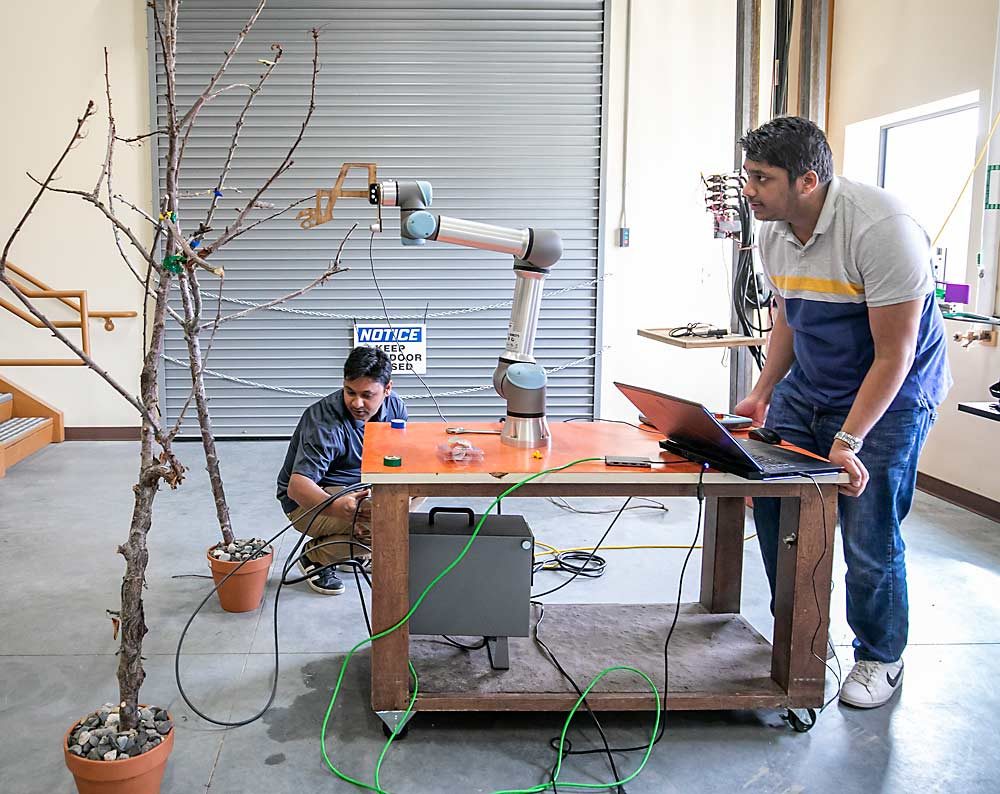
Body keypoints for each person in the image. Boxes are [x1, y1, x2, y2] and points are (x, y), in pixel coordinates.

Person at [734, 116, 951, 708]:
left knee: (868, 531)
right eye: (747, 174)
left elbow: (894, 354)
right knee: (778, 512)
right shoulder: (775, 229)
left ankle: (880, 657)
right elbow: (790, 313)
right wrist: (762, 391)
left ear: (808, 181)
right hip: (815, 382)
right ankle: (801, 638)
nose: (748, 189)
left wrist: (850, 439)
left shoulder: (882, 229)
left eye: (761, 178)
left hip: (894, 390)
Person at [277, 346, 407, 595]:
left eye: (367, 395)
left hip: (358, 488)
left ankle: (356, 543)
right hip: (308, 502)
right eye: (350, 392)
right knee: (388, 527)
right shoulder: (325, 422)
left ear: (387, 389)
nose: (357, 403)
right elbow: (298, 487)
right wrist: (342, 509)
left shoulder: (395, 408)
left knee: (415, 494)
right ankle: (316, 557)